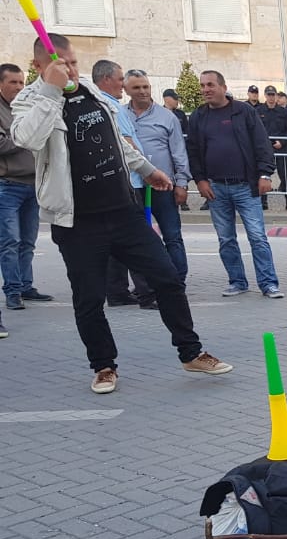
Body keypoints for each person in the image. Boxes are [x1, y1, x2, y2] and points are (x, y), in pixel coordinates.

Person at [11, 33, 232, 393]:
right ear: (39, 66)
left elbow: (115, 140)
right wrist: (51, 91)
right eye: (59, 63)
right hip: (78, 221)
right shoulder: (30, 99)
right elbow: (27, 140)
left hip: (123, 211)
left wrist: (147, 169)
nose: (69, 69)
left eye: (72, 61)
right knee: (89, 299)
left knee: (167, 278)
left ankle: (191, 352)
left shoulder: (90, 91)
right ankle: (103, 366)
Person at [187, 69, 283, 298]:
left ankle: (268, 283)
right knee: (226, 238)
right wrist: (200, 180)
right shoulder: (198, 116)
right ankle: (237, 281)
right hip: (216, 187)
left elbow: (262, 144)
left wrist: (265, 175)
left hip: (245, 186)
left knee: (257, 236)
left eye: (210, 85)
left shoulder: (244, 111)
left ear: (222, 86)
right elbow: (193, 151)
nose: (205, 90)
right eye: (202, 85)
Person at [123, 68, 191, 305]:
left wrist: (182, 184)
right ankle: (147, 289)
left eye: (146, 87)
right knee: (139, 239)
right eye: (136, 88)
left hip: (164, 186)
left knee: (172, 236)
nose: (142, 92)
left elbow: (179, 153)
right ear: (126, 90)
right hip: (133, 187)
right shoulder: (121, 115)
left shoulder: (166, 117)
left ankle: (177, 283)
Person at [93, 59, 149, 307]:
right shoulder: (109, 106)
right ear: (106, 80)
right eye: (119, 80)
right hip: (128, 182)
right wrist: (148, 169)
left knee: (115, 241)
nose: (123, 85)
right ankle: (147, 293)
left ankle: (116, 291)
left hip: (116, 183)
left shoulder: (99, 104)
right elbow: (126, 143)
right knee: (137, 239)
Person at [0, 61, 47, 315]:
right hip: (7, 186)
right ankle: (13, 291)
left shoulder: (26, 107)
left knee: (28, 241)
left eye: (21, 82)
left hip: (33, 184)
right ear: (1, 84)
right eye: (13, 82)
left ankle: (26, 286)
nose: (19, 87)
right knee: (9, 241)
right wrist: (26, 134)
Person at [257, 85, 287, 210]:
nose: (271, 97)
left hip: (281, 148)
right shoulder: (259, 111)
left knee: (284, 175)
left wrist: (282, 142)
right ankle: (263, 202)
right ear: (265, 95)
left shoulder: (283, 111)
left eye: (273, 94)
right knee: (264, 175)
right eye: (269, 94)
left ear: (276, 96)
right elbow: (256, 130)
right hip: (265, 150)